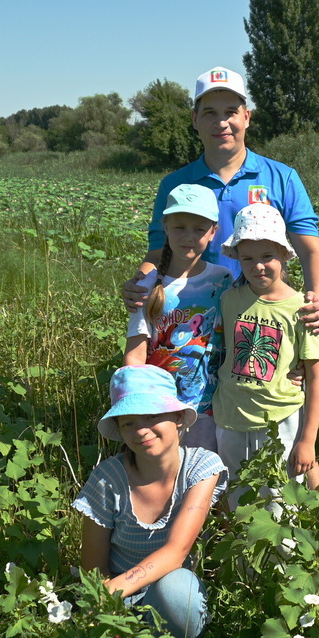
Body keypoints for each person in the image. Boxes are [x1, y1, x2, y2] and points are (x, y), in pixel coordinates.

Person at [122, 66, 319, 334]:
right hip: (193, 317)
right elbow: (159, 252)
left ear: (246, 117)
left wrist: (317, 300)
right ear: (195, 119)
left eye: (230, 112)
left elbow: (310, 250)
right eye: (210, 113)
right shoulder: (175, 184)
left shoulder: (283, 177)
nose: (221, 123)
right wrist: (140, 283)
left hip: (262, 313)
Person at [74, 365, 228, 638]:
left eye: (151, 416)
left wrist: (111, 591)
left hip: (167, 605)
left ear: (177, 418)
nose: (141, 430)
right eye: (128, 422)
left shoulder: (202, 467)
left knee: (179, 589)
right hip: (116, 607)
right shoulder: (108, 479)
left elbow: (176, 552)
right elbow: (93, 572)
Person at [213, 204, 319, 507]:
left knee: (281, 505)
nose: (258, 266)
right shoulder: (228, 299)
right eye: (247, 258)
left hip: (282, 421)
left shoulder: (303, 308)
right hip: (230, 418)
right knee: (236, 502)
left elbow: (316, 376)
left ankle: (287, 555)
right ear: (237, 258)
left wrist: (307, 439)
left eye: (267, 257)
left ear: (284, 256)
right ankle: (242, 557)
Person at [124, 183, 233, 451]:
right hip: (159, 412)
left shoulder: (223, 280)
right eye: (180, 227)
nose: (189, 236)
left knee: (206, 479)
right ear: (165, 226)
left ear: (213, 232)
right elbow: (134, 356)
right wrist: (139, 412)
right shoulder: (147, 286)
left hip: (210, 409)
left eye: (199, 229)